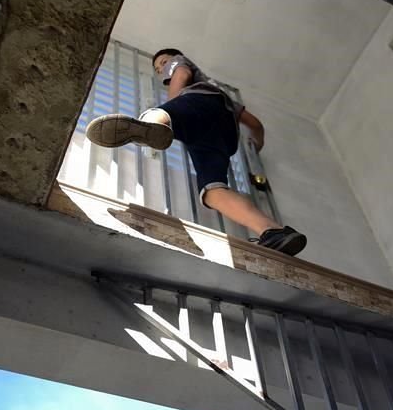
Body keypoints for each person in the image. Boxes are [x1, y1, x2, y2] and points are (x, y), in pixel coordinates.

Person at [85, 48, 307, 256]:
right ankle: (273, 231)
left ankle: (155, 124)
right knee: (211, 190)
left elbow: (181, 72)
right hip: (224, 137)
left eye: (162, 63)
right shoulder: (224, 96)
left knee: (163, 113)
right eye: (158, 69)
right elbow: (256, 124)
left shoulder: (180, 67)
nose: (162, 69)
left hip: (199, 106)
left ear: (175, 57)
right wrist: (256, 146)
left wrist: (172, 103)